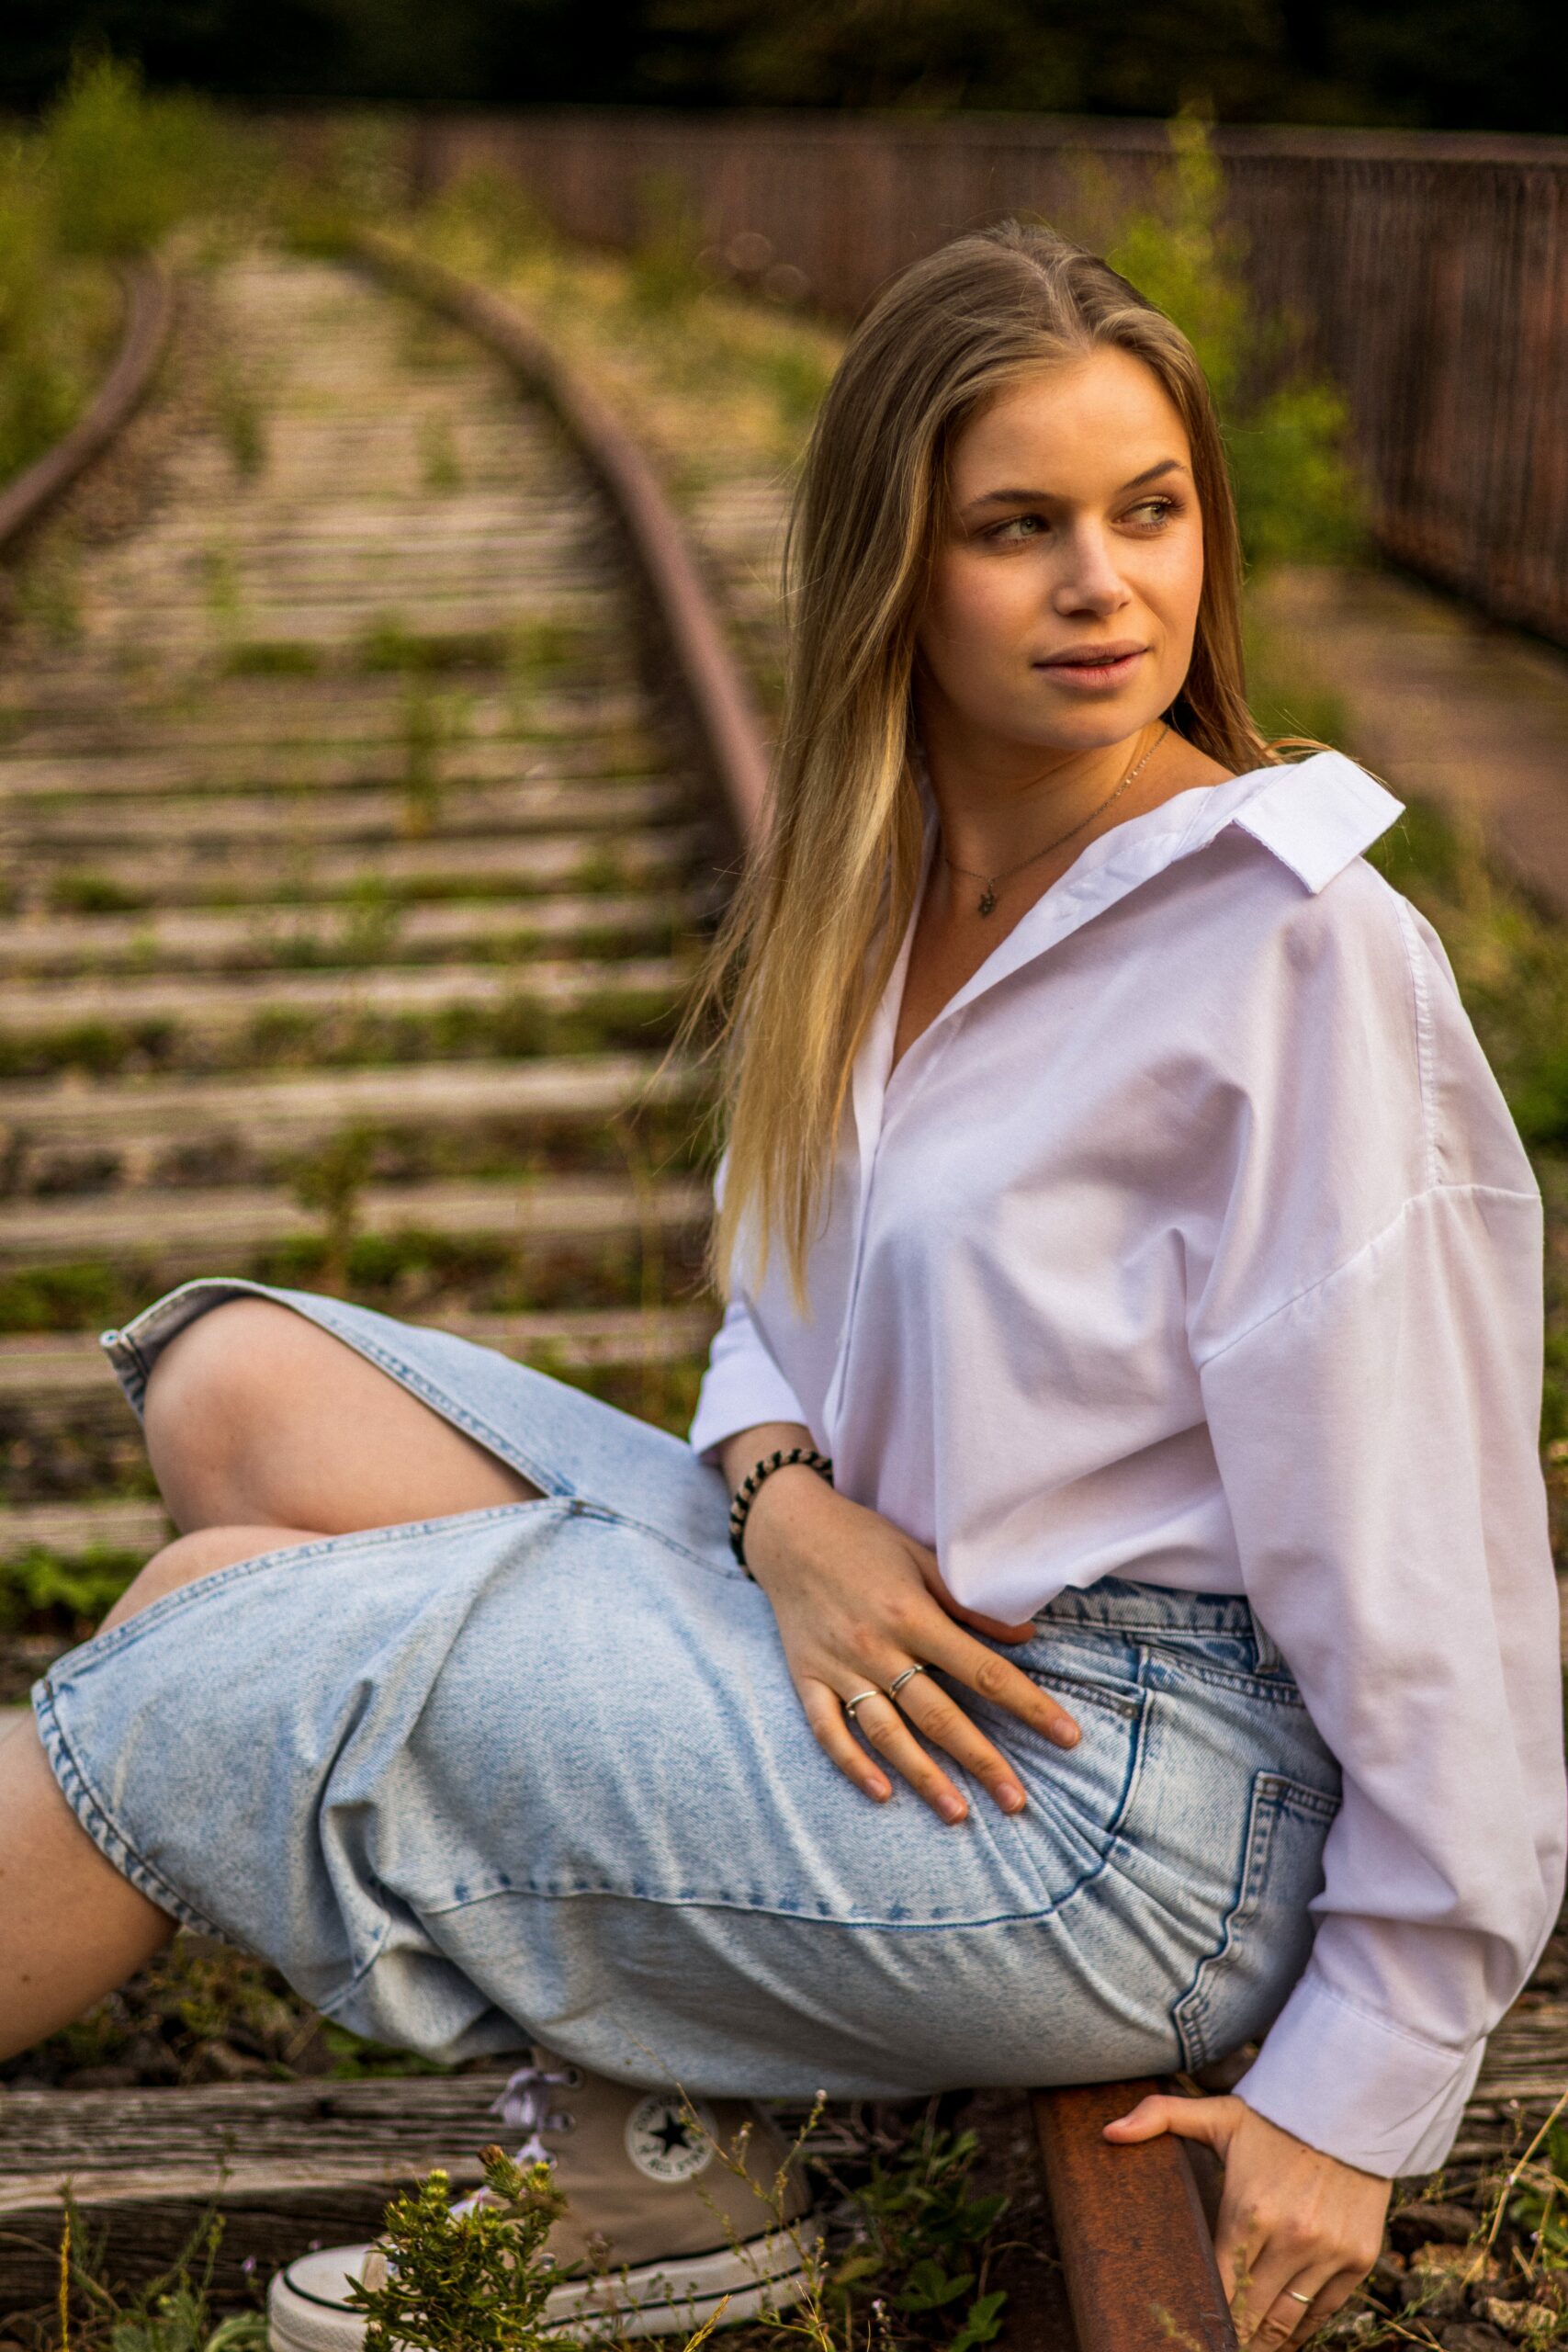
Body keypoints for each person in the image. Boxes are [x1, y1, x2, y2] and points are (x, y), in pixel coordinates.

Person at [1, 221, 1561, 2352]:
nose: (1104, 586)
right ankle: (658, 2142)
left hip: (1121, 1805)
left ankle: (640, 2153)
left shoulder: (1291, 950)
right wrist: (782, 1503)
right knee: (241, 1392)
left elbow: (1436, 1549)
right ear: (892, 572)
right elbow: (773, 1309)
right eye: (1016, 530)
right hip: (880, 1620)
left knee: (207, 1664)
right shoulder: (882, 870)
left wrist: (1370, 2066)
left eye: (1149, 511)